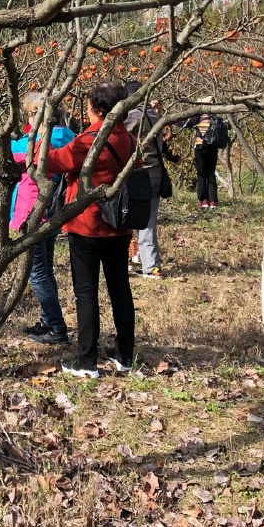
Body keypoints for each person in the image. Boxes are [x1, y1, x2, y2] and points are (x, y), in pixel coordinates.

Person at [45, 82, 137, 376]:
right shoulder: (129, 139)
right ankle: (125, 355)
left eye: (88, 106)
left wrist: (36, 145)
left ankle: (86, 361)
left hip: (88, 223)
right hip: (119, 224)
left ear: (98, 109)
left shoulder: (92, 138)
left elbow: (55, 161)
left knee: (86, 292)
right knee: (120, 288)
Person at [11, 94, 75, 345]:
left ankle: (56, 327)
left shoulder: (44, 141)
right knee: (45, 270)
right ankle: (48, 321)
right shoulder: (66, 136)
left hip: (35, 210)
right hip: (51, 210)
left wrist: (0, 140)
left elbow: (12, 150)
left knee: (36, 274)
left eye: (29, 115)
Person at [124, 83, 178, 278]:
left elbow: (117, 136)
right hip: (156, 174)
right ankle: (151, 265)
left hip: (138, 175)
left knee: (126, 218)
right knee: (148, 222)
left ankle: (131, 262)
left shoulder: (132, 116)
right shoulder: (155, 115)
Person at [187, 104, 226, 211]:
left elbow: (185, 123)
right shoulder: (216, 117)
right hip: (213, 148)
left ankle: (203, 200)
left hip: (201, 147)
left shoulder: (199, 116)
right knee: (211, 173)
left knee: (201, 174)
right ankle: (213, 201)